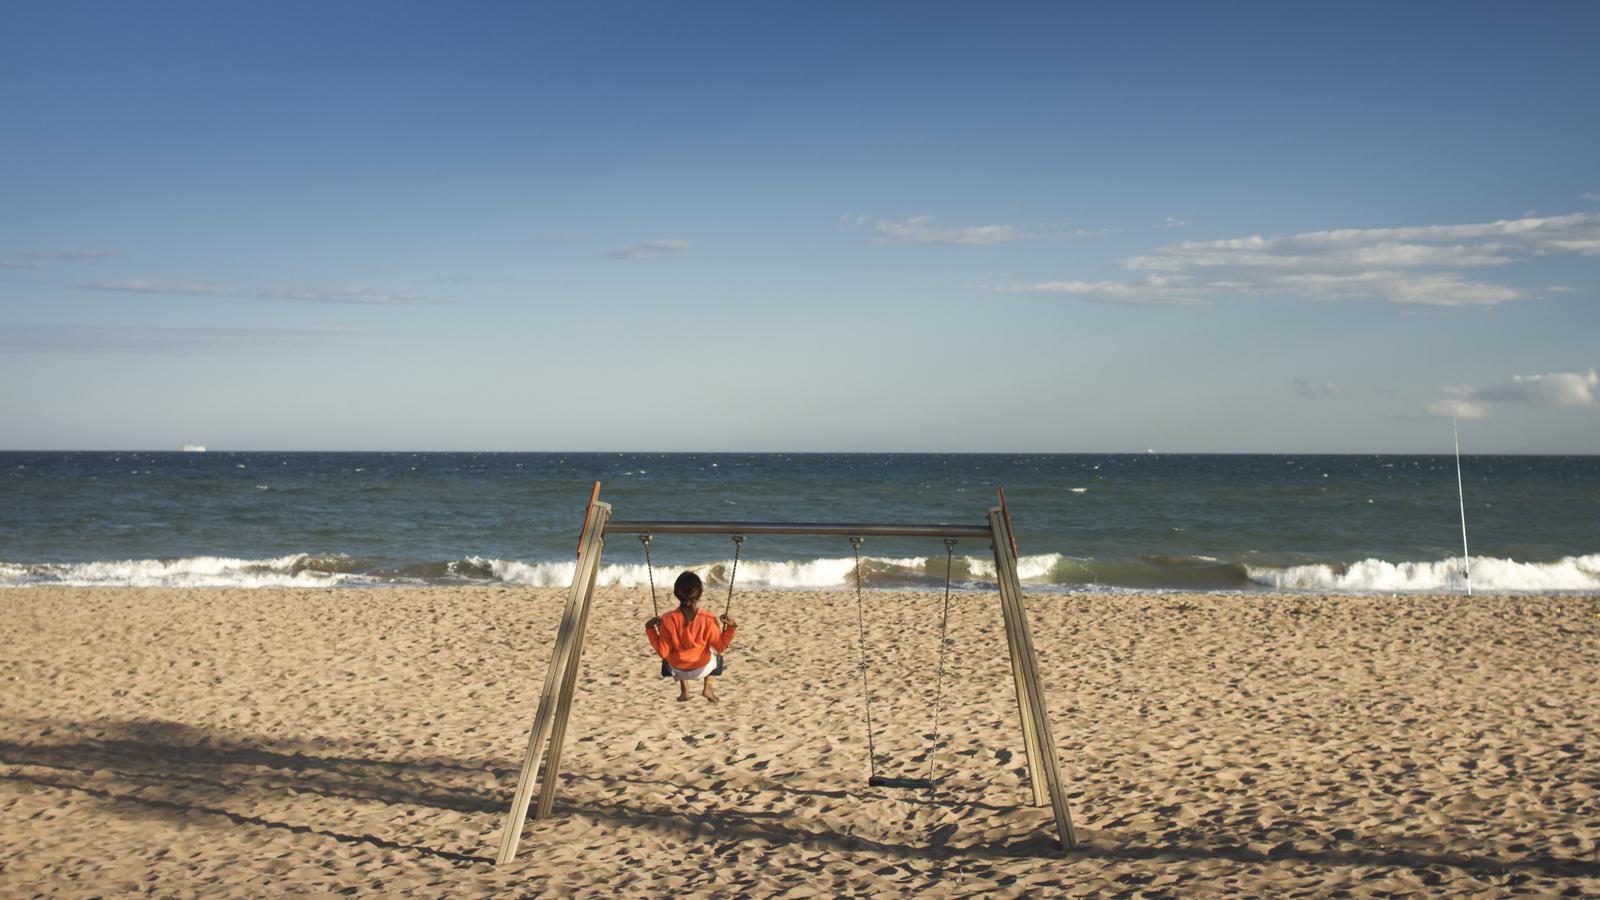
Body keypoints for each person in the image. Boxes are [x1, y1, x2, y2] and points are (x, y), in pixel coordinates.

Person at [645, 571, 736, 702]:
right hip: (702, 668)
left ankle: (685, 691)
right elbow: (720, 646)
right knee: (713, 653)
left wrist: (650, 629)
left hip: (677, 669)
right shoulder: (708, 618)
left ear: (676, 593)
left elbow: (663, 652)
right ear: (699, 594)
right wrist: (731, 627)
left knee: (675, 652)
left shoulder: (667, 619)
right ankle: (708, 688)